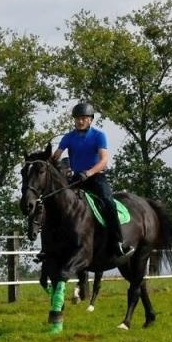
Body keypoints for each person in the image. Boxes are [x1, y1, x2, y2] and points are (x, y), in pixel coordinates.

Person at [53, 100, 130, 260]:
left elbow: (103, 161)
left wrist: (88, 173)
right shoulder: (68, 137)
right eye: (77, 118)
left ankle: (118, 242)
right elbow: (56, 156)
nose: (80, 121)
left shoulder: (98, 136)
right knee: (56, 200)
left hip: (95, 176)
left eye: (83, 118)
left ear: (90, 119)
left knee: (108, 202)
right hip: (76, 177)